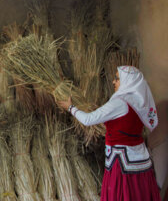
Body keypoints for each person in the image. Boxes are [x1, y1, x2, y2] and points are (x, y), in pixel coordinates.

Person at [58, 66, 161, 201]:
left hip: (121, 163)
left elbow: (88, 120)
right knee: (138, 194)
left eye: (117, 79)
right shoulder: (139, 101)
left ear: (128, 81)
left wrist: (70, 107)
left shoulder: (119, 103)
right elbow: (124, 125)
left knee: (123, 195)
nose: (113, 82)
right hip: (140, 160)